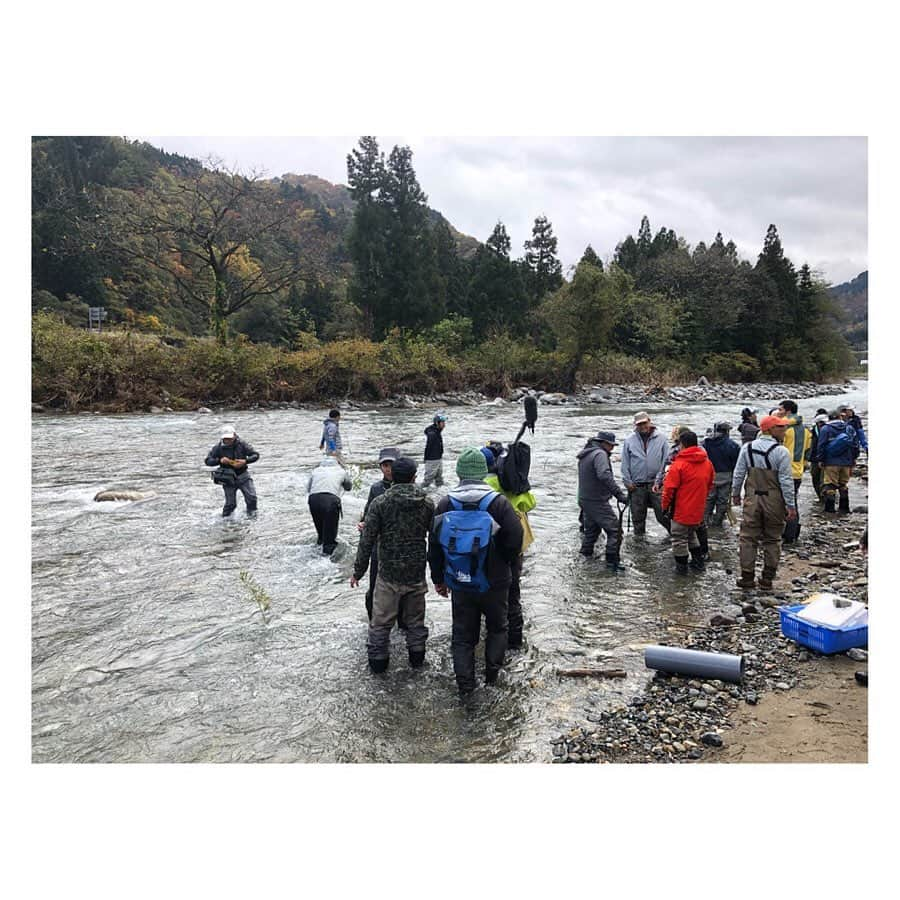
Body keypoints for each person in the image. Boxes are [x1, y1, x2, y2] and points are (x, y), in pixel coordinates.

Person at [429, 448, 523, 696]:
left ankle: (466, 688)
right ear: (483, 473)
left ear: (459, 473)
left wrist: (438, 579)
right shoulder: (498, 502)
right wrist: (503, 563)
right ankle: (492, 680)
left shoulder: (445, 502)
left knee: (462, 636)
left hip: (461, 580)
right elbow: (516, 539)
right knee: (497, 628)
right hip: (495, 580)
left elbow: (435, 545)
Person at [351, 458, 434, 674]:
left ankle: (378, 674)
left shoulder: (380, 503)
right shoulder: (427, 503)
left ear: (392, 477)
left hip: (388, 574)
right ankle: (417, 668)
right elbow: (435, 541)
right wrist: (439, 575)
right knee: (416, 624)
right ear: (414, 477)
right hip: (416, 573)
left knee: (380, 625)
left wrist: (358, 572)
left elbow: (367, 541)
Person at [731, 414, 797, 590]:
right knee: (773, 539)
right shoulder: (782, 452)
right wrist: (791, 505)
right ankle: (767, 579)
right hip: (774, 500)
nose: (785, 430)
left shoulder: (747, 448)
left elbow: (739, 473)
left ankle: (747, 578)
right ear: (770, 430)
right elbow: (786, 481)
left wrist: (735, 494)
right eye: (781, 427)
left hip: (752, 498)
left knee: (747, 538)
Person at [483, 443, 537, 649]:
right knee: (514, 592)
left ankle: (492, 633)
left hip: (491, 546)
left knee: (492, 591)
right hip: (516, 544)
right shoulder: (511, 483)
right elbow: (530, 504)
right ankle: (515, 641)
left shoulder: (486, 483)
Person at [661, 430, 715, 574]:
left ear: (682, 445)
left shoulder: (678, 465)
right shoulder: (707, 463)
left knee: (679, 539)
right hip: (698, 509)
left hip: (681, 510)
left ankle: (681, 570)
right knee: (691, 535)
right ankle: (698, 564)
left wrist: (664, 507)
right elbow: (710, 484)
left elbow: (669, 490)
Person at [358, 447, 399, 622]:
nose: (388, 469)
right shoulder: (376, 489)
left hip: (399, 550)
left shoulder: (409, 488)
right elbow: (367, 515)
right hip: (378, 549)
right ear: (380, 467)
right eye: (385, 465)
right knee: (374, 589)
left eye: (391, 465)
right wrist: (363, 524)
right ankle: (373, 624)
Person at [577, 431, 630, 570]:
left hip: (585, 499)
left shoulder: (586, 453)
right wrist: (620, 495)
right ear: (603, 443)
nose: (612, 448)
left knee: (592, 532)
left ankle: (584, 559)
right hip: (596, 501)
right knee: (615, 531)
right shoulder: (600, 455)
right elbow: (604, 475)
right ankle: (612, 563)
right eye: (611, 445)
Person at [620, 411, 670, 536]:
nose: (642, 426)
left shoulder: (662, 438)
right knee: (637, 518)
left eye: (644, 423)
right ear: (635, 425)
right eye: (639, 424)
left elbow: (666, 461)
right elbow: (625, 463)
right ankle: (639, 544)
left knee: (663, 515)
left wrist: (662, 481)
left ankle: (676, 537)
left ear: (649, 421)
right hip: (636, 486)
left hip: (656, 484)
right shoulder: (629, 440)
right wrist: (627, 481)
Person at [776, 400, 812, 544]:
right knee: (793, 502)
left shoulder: (783, 428)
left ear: (788, 410)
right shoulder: (806, 430)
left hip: (784, 470)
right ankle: (793, 533)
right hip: (798, 472)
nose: (779, 411)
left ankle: (787, 534)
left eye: (781, 409)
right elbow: (808, 451)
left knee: (781, 502)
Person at [205, 426, 259, 517]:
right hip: (227, 478)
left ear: (234, 435)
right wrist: (219, 460)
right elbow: (208, 461)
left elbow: (255, 455)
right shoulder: (217, 448)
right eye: (225, 439)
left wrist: (245, 461)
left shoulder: (243, 444)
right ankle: (225, 522)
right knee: (230, 504)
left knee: (252, 499)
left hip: (243, 475)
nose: (228, 440)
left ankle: (252, 518)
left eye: (229, 438)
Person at [814, 409, 859, 514]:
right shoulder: (849, 428)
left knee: (830, 485)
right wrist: (853, 459)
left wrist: (820, 459)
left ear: (829, 418)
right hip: (846, 462)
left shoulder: (826, 429)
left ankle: (830, 509)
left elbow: (821, 446)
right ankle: (844, 508)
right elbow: (855, 445)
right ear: (840, 417)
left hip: (831, 462)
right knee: (843, 484)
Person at [307, 455, 352, 555]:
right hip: (330, 501)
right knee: (330, 539)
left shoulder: (315, 471)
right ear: (337, 463)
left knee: (321, 534)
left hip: (313, 500)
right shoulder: (341, 471)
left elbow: (308, 489)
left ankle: (317, 552)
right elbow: (348, 487)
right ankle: (327, 562)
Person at [702, 422, 741, 526]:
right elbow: (737, 464)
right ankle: (717, 524)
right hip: (726, 477)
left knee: (708, 500)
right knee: (722, 502)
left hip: (709, 476)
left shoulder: (705, 442)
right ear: (726, 431)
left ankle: (704, 523)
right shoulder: (733, 445)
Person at [423, 413, 447, 487]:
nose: (444, 424)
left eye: (444, 422)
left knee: (439, 478)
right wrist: (426, 459)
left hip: (438, 458)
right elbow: (428, 447)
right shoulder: (432, 434)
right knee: (428, 480)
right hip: (432, 459)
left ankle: (440, 491)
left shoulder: (437, 430)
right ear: (437, 423)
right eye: (442, 422)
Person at [808, 411, 829, 500]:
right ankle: (821, 497)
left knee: (824, 480)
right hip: (814, 458)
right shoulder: (812, 430)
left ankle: (826, 498)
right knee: (815, 478)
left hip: (826, 459)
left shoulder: (829, 430)